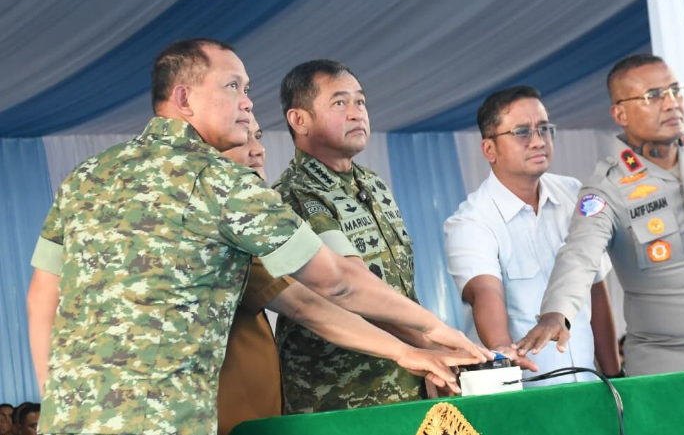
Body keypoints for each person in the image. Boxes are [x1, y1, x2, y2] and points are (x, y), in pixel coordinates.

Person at [26, 40, 485, 434]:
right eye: (233, 87)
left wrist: (56, 397)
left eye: (246, 89)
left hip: (70, 417)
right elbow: (335, 282)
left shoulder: (88, 174)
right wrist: (434, 329)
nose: (247, 102)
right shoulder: (218, 179)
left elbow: (41, 296)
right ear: (183, 98)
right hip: (163, 419)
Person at [515, 54, 684, 434]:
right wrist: (555, 313)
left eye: (676, 90)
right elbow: (579, 254)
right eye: (654, 95)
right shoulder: (607, 187)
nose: (671, 102)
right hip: (671, 375)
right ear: (620, 113)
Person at [216, 115, 475, 433]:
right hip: (281, 406)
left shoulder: (371, 182)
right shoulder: (288, 195)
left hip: (259, 413)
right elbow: (327, 293)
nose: (258, 150)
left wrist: (417, 349)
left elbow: (315, 300)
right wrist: (426, 336)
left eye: (258, 137)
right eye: (242, 140)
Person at [274, 59, 454, 413]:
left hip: (407, 377)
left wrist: (430, 354)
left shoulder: (372, 183)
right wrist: (434, 344)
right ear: (299, 120)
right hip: (341, 395)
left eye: (361, 101)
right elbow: (351, 288)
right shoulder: (296, 193)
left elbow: (398, 290)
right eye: (340, 102)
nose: (357, 113)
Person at [443, 86, 620, 386]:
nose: (538, 141)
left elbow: (595, 288)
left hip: (593, 387)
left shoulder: (573, 193)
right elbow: (486, 293)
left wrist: (615, 376)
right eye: (522, 132)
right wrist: (504, 352)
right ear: (489, 150)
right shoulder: (471, 222)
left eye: (544, 129)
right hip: (529, 391)